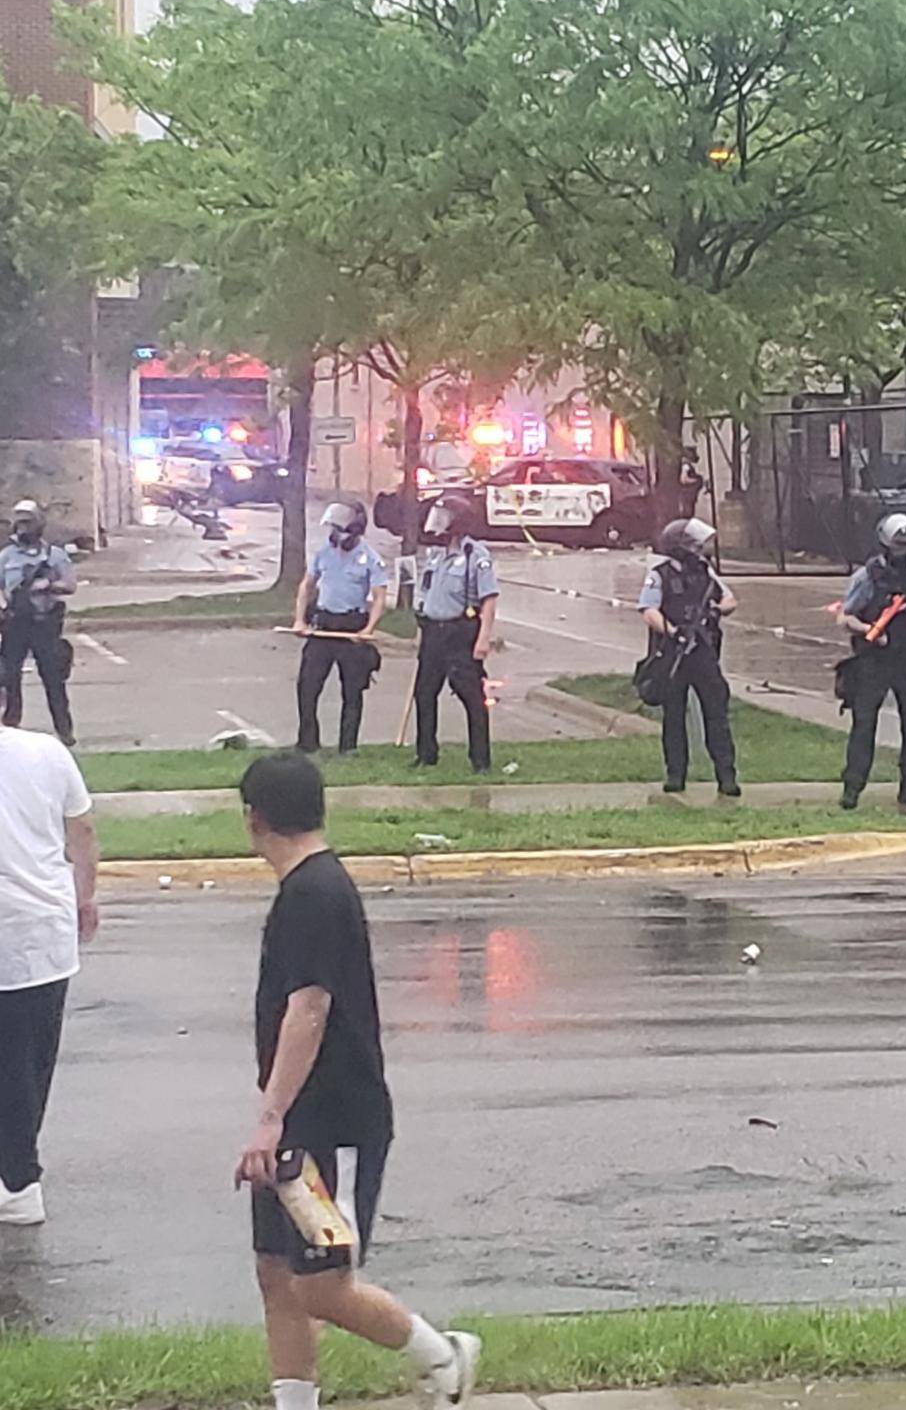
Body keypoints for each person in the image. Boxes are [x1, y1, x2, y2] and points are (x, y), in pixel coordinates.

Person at [236, 752, 479, 1410]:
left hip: (331, 1122)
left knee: (322, 1284)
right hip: (297, 1123)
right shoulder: (307, 887)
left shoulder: (316, 893)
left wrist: (268, 1118)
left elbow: (308, 1008)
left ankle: (443, 1354)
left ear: (254, 819)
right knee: (276, 1272)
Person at [0, 664, 98, 1226]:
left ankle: (15, 1177)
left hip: (23, 932)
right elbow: (81, 832)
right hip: (44, 931)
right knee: (32, 1058)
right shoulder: (49, 755)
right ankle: (18, 1174)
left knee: (11, 1062)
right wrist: (84, 897)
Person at [837, 513, 906, 813]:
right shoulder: (868, 576)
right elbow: (845, 617)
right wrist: (871, 631)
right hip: (874, 660)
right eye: (900, 548)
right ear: (886, 546)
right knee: (864, 723)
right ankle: (853, 787)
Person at [638, 516, 740, 796]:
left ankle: (727, 776)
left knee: (716, 713)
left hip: (704, 652)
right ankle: (675, 775)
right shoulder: (659, 575)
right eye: (698, 545)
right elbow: (648, 610)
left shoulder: (706, 573)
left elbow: (730, 599)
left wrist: (717, 611)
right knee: (674, 717)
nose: (703, 550)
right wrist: (672, 632)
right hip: (674, 654)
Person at [413, 493, 498, 773]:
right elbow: (426, 590)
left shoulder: (476, 555)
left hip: (460, 632)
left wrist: (483, 638)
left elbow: (488, 599)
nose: (437, 523)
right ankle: (426, 754)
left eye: (443, 518)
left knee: (471, 696)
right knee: (424, 693)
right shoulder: (435, 554)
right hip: (433, 632)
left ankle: (480, 760)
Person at [294, 502, 387, 756]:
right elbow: (307, 586)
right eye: (334, 530)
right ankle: (307, 742)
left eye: (342, 530)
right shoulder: (324, 552)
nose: (337, 536)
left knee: (353, 691)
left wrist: (368, 629)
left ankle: (348, 746)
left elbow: (379, 597)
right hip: (323, 626)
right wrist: (300, 620)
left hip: (351, 629)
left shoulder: (370, 559)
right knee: (307, 686)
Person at [0, 499, 77, 746]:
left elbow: (70, 585)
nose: (23, 528)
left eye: (28, 523)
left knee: (53, 678)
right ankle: (10, 726)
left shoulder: (54, 556)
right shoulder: (6, 557)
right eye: (19, 523)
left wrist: (48, 585)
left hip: (45, 623)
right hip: (15, 624)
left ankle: (64, 730)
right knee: (9, 676)